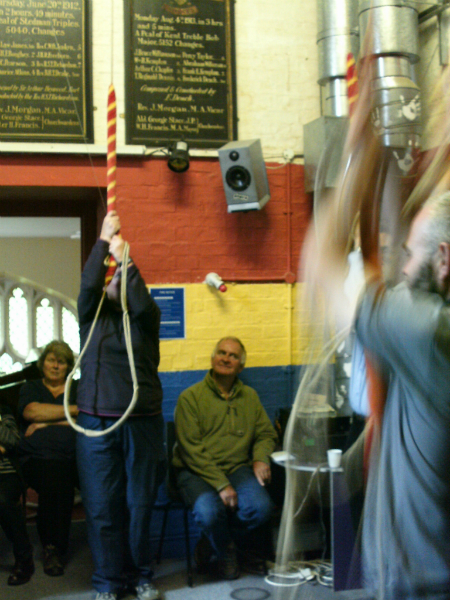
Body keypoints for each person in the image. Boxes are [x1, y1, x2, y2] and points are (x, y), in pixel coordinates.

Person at [310, 191, 450, 599]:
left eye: (409, 254)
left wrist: (359, 149)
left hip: (423, 583)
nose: (403, 269)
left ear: (444, 257)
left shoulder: (426, 331)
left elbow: (320, 258)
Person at [76, 211, 166, 600]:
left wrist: (126, 261)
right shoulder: (90, 318)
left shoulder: (146, 320)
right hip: (96, 425)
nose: (112, 281)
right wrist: (102, 242)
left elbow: (142, 301)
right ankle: (109, 583)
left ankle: (140, 575)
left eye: (119, 278)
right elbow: (87, 285)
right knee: (101, 508)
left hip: (141, 422)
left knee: (139, 505)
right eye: (109, 278)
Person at [173, 337, 278, 580]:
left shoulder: (250, 397)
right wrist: (222, 485)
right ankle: (227, 551)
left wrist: (261, 458)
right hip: (195, 471)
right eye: (221, 353)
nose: (226, 358)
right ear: (212, 359)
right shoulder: (190, 397)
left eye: (233, 356)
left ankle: (214, 542)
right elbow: (191, 450)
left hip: (236, 468)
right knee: (209, 513)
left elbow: (265, 433)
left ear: (240, 367)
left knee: (262, 509)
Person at [18, 340, 79, 577]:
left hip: (72, 456)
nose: (55, 366)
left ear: (68, 367)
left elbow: (86, 414)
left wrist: (44, 422)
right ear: (42, 364)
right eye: (51, 360)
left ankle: (54, 547)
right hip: (36, 458)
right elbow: (31, 411)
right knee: (56, 477)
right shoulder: (31, 387)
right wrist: (71, 411)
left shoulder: (78, 387)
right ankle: (53, 548)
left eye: (61, 362)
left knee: (62, 474)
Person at [0, 401, 34, 585]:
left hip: (6, 473)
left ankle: (24, 557)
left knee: (3, 500)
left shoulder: (4, 410)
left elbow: (12, 439)